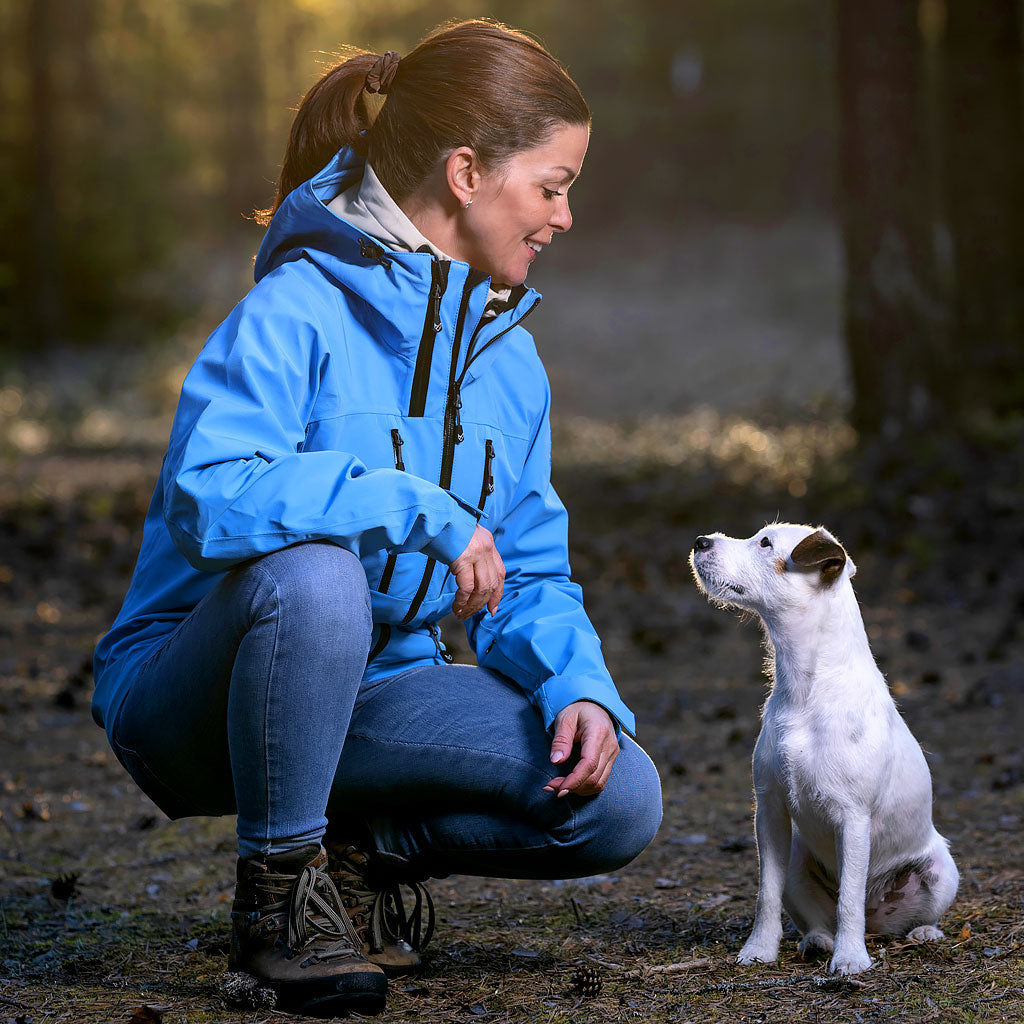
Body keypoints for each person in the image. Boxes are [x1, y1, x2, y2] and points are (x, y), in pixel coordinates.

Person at [91, 18, 662, 1018]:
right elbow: (209, 495)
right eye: (554, 186)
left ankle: (357, 854)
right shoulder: (295, 308)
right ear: (466, 172)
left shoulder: (510, 362)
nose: (564, 218)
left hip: (374, 697)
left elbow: (525, 567)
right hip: (192, 696)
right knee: (318, 575)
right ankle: (277, 899)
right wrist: (417, 508)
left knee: (616, 799)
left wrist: (577, 684)